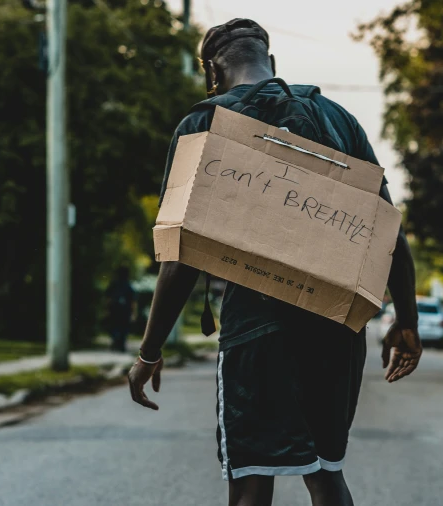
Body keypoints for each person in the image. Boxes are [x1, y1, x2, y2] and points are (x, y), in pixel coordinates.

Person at [128, 19, 422, 506]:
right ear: (272, 62)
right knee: (327, 475)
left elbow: (179, 260)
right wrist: (406, 321)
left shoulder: (202, 125)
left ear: (212, 73)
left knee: (250, 480)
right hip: (337, 331)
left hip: (257, 330)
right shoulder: (336, 119)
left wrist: (149, 352)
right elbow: (389, 232)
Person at [105, 266, 137, 353]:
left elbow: (108, 298)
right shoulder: (128, 286)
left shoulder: (114, 284)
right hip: (125, 310)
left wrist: (107, 309)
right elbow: (133, 302)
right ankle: (121, 344)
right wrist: (133, 313)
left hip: (114, 309)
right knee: (123, 328)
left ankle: (116, 341)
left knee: (114, 327)